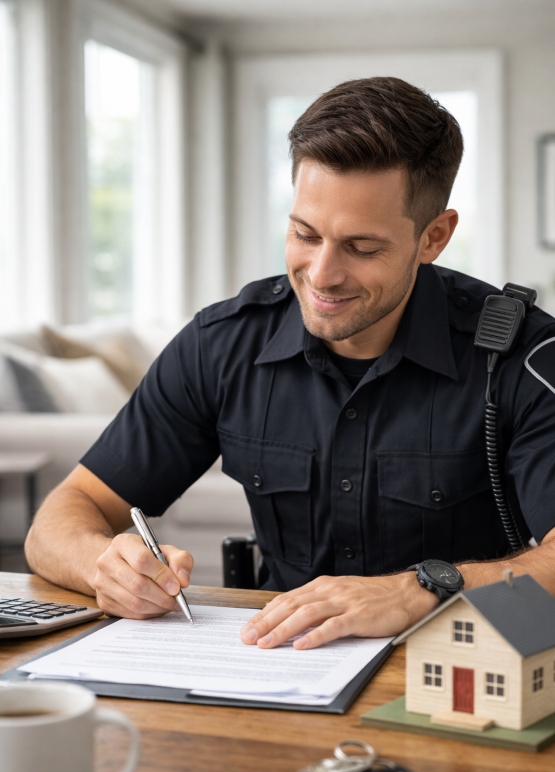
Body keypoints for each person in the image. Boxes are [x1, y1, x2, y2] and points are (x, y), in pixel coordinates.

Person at [26, 77, 555, 652]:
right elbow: (59, 519)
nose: (322, 274)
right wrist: (106, 563)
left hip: (462, 669)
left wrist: (419, 590)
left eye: (363, 248)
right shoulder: (221, 344)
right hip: (274, 664)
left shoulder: (521, 356)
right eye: (305, 233)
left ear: (434, 237)